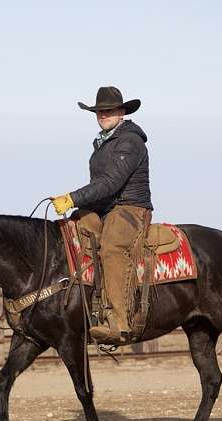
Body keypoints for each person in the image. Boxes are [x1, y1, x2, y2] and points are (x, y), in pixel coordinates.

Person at [51, 86, 153, 344]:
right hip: (106, 208)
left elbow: (111, 183)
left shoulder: (129, 142)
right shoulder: (103, 142)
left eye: (108, 111)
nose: (103, 115)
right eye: (99, 111)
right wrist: (78, 207)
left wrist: (72, 198)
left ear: (121, 112)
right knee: (72, 229)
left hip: (130, 208)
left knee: (111, 248)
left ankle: (119, 322)